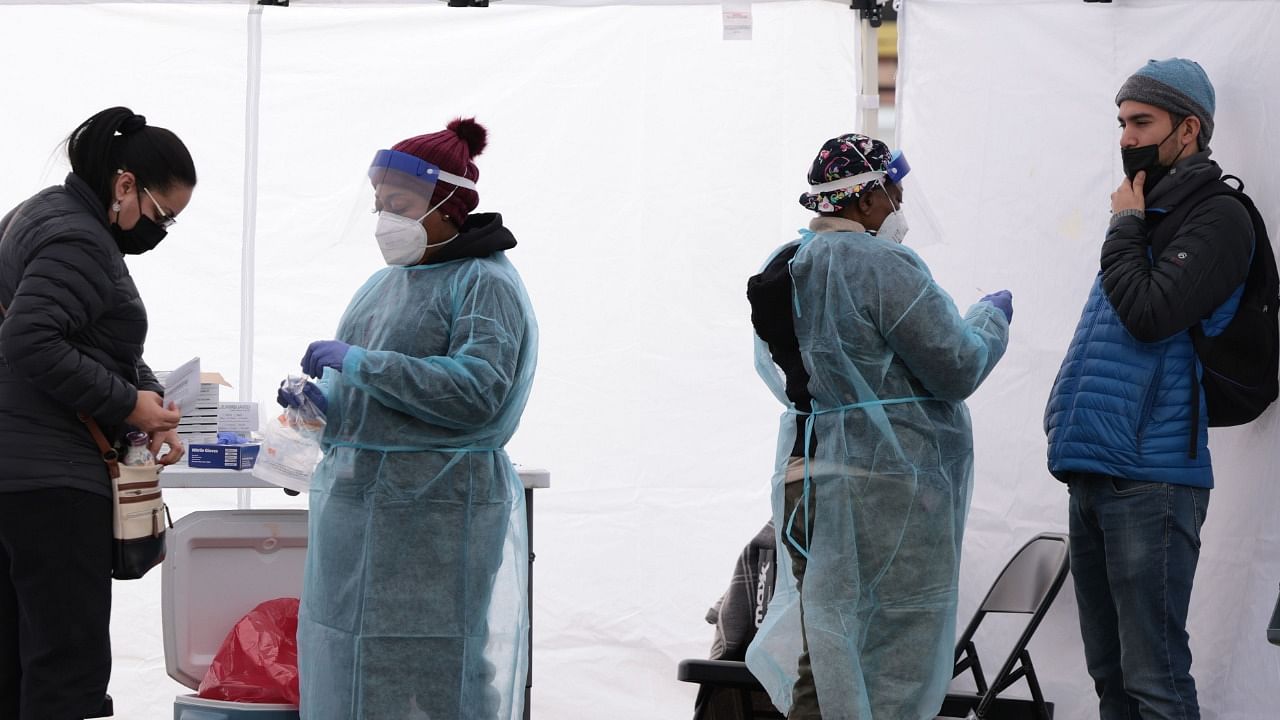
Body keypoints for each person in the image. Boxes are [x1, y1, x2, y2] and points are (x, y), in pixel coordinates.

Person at [744, 133, 1011, 720]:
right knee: (888, 654)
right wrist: (991, 318)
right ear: (863, 200)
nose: (897, 205)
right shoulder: (880, 265)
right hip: (883, 490)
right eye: (891, 190)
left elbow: (782, 375)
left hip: (806, 479)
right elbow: (957, 364)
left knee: (827, 648)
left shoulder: (783, 267)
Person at [280, 118, 538, 720]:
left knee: (439, 663)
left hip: (441, 510)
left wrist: (362, 363)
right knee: (358, 662)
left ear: (449, 202)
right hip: (362, 507)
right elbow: (373, 399)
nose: (384, 221)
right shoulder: (383, 285)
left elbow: (478, 393)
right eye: (379, 205)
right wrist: (323, 410)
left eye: (399, 205)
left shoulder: (484, 284)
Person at [1044, 58, 1254, 720]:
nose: (1126, 138)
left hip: (1153, 476)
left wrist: (1125, 227)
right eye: (1122, 122)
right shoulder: (1148, 213)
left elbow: (1149, 313)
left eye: (1142, 122)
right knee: (1109, 676)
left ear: (1188, 129)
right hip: (1094, 467)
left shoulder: (1219, 217)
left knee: (1155, 678)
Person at [0, 106, 194, 719]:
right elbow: (31, 340)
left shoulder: (44, 212)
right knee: (68, 663)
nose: (160, 231)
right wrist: (126, 402)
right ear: (125, 184)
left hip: (18, 472)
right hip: (50, 481)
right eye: (162, 214)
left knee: (20, 655)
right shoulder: (81, 239)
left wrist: (148, 399)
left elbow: (88, 338)